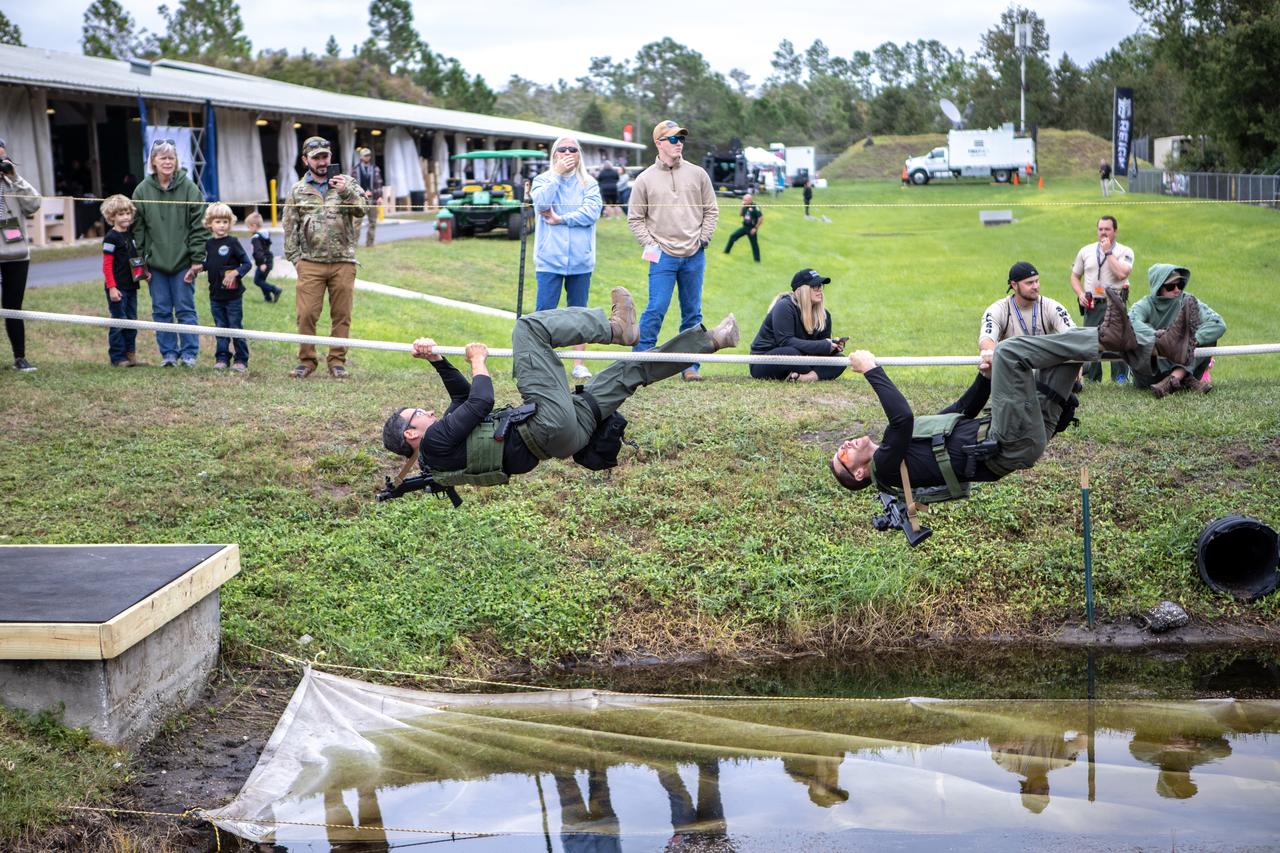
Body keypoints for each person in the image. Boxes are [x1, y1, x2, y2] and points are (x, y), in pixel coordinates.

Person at [829, 286, 1201, 504]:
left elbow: (962, 410)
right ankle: (1115, 338)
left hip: (1017, 434)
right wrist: (872, 369)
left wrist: (985, 378)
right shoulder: (886, 468)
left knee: (1063, 354)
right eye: (842, 454)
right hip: (1007, 441)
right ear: (859, 473)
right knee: (1010, 351)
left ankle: (1162, 347)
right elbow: (901, 417)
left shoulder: (903, 452)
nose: (845, 444)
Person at [381, 288, 740, 489]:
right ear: (411, 433)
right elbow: (480, 399)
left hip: (567, 437)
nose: (427, 411)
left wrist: (437, 361)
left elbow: (460, 399)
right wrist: (478, 360)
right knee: (528, 330)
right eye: (418, 414)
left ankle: (711, 340)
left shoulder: (442, 449)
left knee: (627, 372)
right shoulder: (435, 442)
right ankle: (614, 328)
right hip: (546, 425)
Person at [627, 120, 719, 382]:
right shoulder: (644, 179)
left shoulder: (698, 174)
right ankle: (640, 365)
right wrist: (651, 245)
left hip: (694, 255)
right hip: (662, 257)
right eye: (672, 139)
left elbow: (711, 209)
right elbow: (635, 218)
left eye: (681, 138)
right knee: (656, 308)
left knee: (692, 312)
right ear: (658, 143)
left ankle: (690, 367)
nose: (679, 143)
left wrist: (703, 238)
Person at [283, 136, 366, 379]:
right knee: (306, 313)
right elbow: (290, 227)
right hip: (310, 262)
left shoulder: (346, 183)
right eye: (316, 157)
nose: (322, 161)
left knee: (342, 315)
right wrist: (296, 259)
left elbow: (362, 209)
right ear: (305, 160)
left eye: (325, 156)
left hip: (343, 261)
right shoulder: (298, 190)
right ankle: (306, 360)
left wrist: (346, 191)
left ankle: (337, 361)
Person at [530, 135, 602, 381]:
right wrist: (557, 175)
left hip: (581, 261)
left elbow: (592, 212)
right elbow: (541, 204)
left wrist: (562, 218)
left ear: (580, 154)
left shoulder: (589, 183)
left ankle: (579, 363)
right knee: (544, 312)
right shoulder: (542, 180)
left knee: (579, 313)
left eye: (574, 149)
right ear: (554, 154)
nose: (568, 153)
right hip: (549, 260)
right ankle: (541, 363)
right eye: (563, 149)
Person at [131, 139, 208, 368]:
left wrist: (196, 260)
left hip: (183, 262)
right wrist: (141, 264)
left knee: (185, 309)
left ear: (177, 162)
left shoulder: (190, 188)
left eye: (171, 157)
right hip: (155, 265)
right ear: (153, 162)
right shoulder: (142, 190)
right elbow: (138, 231)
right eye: (162, 157)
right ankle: (168, 354)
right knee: (161, 310)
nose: (167, 161)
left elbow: (199, 226)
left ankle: (189, 354)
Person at [1130, 264, 1226, 398]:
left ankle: (1174, 378)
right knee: (1139, 338)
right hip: (1151, 375)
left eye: (1180, 284)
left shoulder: (1188, 300)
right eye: (1170, 286)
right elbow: (1130, 323)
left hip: (1184, 361)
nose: (1177, 290)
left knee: (1208, 337)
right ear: (1158, 287)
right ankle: (1184, 377)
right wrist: (1159, 336)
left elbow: (1218, 324)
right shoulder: (1145, 304)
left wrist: (1190, 341)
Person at [978, 262, 1075, 376]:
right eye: (1029, 283)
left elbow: (1072, 334)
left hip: (1044, 365)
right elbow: (987, 340)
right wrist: (989, 354)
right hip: (1013, 366)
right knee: (986, 364)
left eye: (1037, 281)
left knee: (1077, 358)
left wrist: (1076, 363)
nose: (1035, 286)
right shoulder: (998, 309)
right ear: (1014, 285)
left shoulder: (1051, 306)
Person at [749, 268, 846, 382]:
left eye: (821, 286)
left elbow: (820, 349)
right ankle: (815, 373)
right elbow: (785, 341)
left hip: (801, 359)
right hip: (763, 361)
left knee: (840, 359)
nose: (820, 290)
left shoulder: (825, 315)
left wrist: (832, 347)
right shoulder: (784, 306)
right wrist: (823, 345)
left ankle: (806, 377)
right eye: (815, 286)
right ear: (802, 290)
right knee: (792, 353)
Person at [1070, 215, 1134, 384]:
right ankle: (1092, 377)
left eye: (1107, 229)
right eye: (1100, 229)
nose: (1103, 232)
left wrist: (1108, 252)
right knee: (1090, 339)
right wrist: (1080, 294)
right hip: (1093, 303)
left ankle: (1120, 377)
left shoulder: (1125, 251)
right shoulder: (1086, 251)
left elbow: (1121, 273)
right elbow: (1075, 277)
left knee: (1118, 340)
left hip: (1115, 304)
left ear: (1115, 231)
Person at [0, 148, 42, 371]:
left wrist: (15, 177)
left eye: (3, 159)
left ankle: (20, 357)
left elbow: (34, 204)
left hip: (16, 254)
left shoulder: (14, 183)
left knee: (13, 307)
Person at [202, 203, 253, 372]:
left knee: (235, 327)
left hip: (233, 296)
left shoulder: (233, 242)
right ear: (210, 223)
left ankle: (241, 359)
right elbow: (209, 264)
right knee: (220, 327)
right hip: (215, 295)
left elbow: (246, 263)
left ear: (230, 223)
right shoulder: (208, 244)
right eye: (218, 221)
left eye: (225, 221)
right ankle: (222, 357)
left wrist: (235, 273)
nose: (222, 225)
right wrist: (196, 269)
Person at [100, 194, 147, 367]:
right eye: (121, 214)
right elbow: (107, 265)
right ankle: (117, 357)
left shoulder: (130, 235)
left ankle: (130, 354)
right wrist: (112, 287)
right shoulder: (111, 238)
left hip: (131, 286)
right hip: (117, 287)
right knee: (119, 320)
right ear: (112, 217)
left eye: (128, 213)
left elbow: (134, 260)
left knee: (132, 321)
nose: (126, 217)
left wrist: (144, 274)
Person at [245, 211, 282, 302]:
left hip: (264, 262)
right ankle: (268, 298)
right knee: (262, 280)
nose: (248, 229)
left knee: (257, 281)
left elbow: (258, 251)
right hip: (269, 260)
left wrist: (261, 263)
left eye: (248, 227)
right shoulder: (264, 235)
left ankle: (275, 290)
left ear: (253, 226)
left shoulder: (256, 238)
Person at [350, 147, 383, 247]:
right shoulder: (355, 170)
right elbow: (352, 185)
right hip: (360, 199)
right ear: (361, 157)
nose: (367, 157)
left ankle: (370, 243)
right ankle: (354, 244)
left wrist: (380, 196)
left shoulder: (375, 169)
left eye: (369, 155)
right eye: (365, 155)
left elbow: (379, 184)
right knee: (356, 223)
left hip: (372, 199)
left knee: (372, 222)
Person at [723, 193, 762, 262]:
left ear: (750, 200)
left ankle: (757, 260)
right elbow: (740, 214)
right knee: (732, 236)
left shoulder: (755, 207)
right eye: (743, 200)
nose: (744, 201)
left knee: (754, 244)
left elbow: (760, 218)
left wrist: (755, 228)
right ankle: (726, 252)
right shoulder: (744, 206)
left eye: (745, 200)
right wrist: (742, 206)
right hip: (744, 227)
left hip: (752, 228)